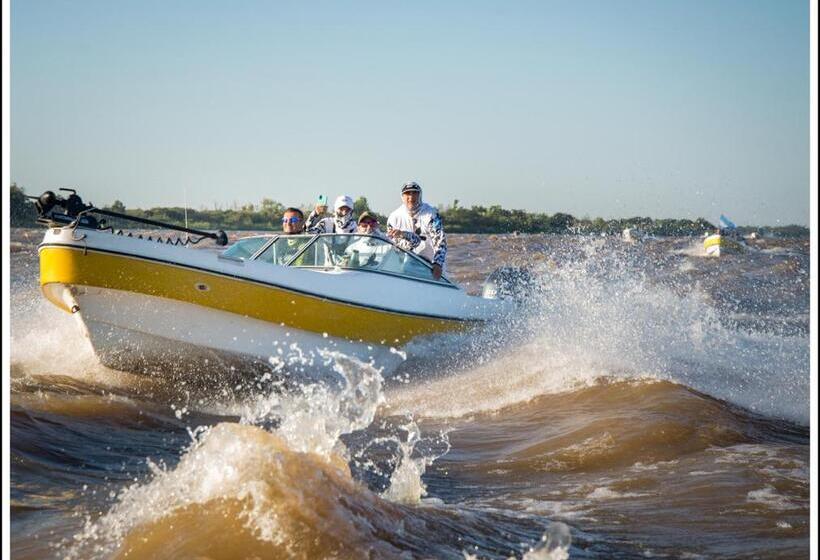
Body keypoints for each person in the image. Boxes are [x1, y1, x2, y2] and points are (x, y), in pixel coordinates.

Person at [387, 181, 446, 279]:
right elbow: (395, 247)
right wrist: (403, 235)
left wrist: (438, 264)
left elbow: (440, 241)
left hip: (431, 267)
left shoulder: (431, 214)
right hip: (405, 267)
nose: (411, 197)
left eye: (415, 193)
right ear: (402, 197)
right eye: (407, 193)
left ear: (420, 195)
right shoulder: (394, 217)